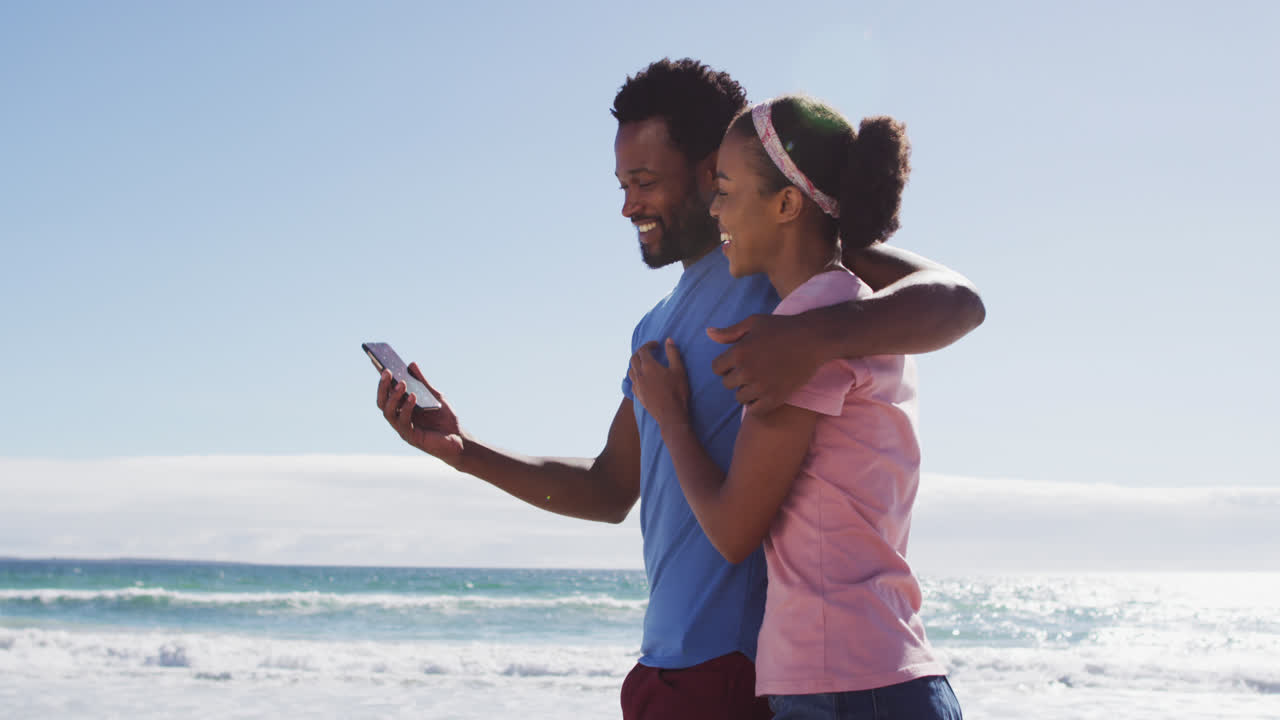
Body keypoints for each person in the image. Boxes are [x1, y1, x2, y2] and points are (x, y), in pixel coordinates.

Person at [375, 59, 982, 720]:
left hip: (745, 669)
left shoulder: (778, 273)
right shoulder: (655, 326)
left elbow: (956, 302)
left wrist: (812, 337)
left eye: (644, 182)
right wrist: (464, 450)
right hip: (664, 666)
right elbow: (611, 487)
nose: (629, 204)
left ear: (710, 170)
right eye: (621, 184)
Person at [627, 95, 963, 719]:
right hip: (885, 674)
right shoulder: (856, 309)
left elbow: (733, 531)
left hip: (840, 689)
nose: (714, 207)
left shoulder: (803, 330)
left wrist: (672, 418)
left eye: (725, 190)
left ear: (786, 204)